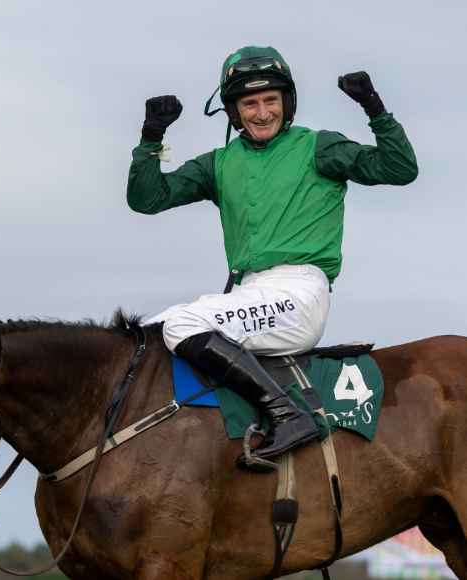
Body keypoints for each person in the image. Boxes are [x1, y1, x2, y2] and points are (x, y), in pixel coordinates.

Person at [127, 46, 418, 467]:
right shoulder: (220, 164)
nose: (262, 113)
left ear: (287, 103)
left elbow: (400, 168)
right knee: (149, 334)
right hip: (251, 294)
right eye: (250, 103)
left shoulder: (320, 148)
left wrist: (375, 107)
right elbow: (147, 199)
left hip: (299, 295)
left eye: (270, 101)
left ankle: (289, 415)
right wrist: (151, 137)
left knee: (182, 324)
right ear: (234, 111)